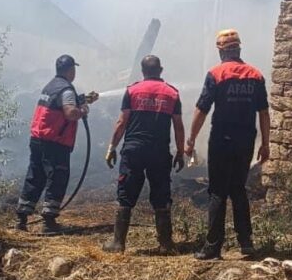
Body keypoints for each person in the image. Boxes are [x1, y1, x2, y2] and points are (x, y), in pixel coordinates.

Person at [185, 29, 270, 260]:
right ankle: (246, 243)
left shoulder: (216, 74)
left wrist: (191, 140)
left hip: (221, 141)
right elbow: (264, 112)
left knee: (218, 192)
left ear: (221, 51)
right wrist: (265, 144)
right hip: (246, 141)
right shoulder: (256, 75)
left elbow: (201, 110)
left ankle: (213, 247)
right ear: (238, 49)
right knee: (238, 189)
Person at [103, 55, 185, 254]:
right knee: (161, 193)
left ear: (142, 71)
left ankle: (118, 243)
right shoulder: (172, 93)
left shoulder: (132, 91)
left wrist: (112, 147)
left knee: (126, 193)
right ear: (161, 70)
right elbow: (178, 126)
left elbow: (122, 122)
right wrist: (180, 152)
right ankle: (165, 244)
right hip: (159, 152)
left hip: (134, 150)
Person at [16, 54, 92, 234]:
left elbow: (58, 106)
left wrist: (84, 99)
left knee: (35, 176)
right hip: (55, 142)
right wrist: (83, 110)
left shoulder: (50, 86)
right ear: (70, 70)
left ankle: (22, 219)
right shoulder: (66, 89)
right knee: (57, 177)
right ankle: (48, 222)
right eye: (73, 69)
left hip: (39, 139)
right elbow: (70, 113)